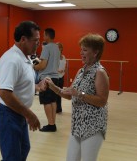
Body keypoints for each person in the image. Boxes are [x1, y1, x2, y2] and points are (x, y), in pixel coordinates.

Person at [46, 33, 109, 161]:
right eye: (81, 49)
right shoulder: (81, 71)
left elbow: (102, 101)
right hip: (77, 126)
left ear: (95, 52)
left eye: (85, 50)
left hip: (93, 128)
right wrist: (52, 86)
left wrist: (80, 94)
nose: (81, 53)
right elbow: (70, 95)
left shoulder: (100, 72)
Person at [0, 21, 47, 161]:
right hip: (7, 113)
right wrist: (30, 114)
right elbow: (4, 92)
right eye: (35, 40)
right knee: (13, 156)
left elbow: (20, 83)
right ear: (23, 39)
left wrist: (37, 86)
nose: (38, 44)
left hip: (17, 112)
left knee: (22, 149)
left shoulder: (26, 57)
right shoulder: (12, 60)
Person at [34, 28, 60, 132]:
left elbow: (43, 65)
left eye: (43, 35)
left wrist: (34, 66)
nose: (42, 36)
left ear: (47, 36)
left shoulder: (46, 47)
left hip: (46, 78)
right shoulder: (57, 48)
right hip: (55, 77)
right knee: (53, 101)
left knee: (46, 102)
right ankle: (53, 123)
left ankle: (50, 124)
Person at [56, 42, 66, 113]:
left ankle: (59, 108)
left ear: (61, 48)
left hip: (61, 77)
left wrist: (63, 70)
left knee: (60, 93)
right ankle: (54, 108)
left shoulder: (63, 57)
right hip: (55, 77)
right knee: (55, 93)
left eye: (58, 47)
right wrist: (58, 70)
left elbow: (64, 65)